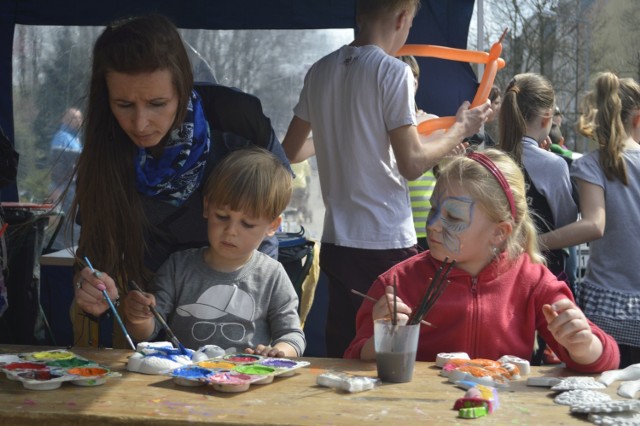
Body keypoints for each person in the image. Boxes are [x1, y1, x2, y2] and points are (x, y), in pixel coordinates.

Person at [282, 0, 490, 357]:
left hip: (337, 242)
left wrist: (344, 135)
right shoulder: (392, 72)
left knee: (344, 350)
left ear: (360, 14)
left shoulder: (318, 71)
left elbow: (289, 152)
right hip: (385, 241)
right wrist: (460, 129)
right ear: (402, 18)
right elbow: (411, 164)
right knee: (392, 353)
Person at [71, 14, 290, 348]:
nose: (141, 123)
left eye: (157, 104)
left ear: (183, 87)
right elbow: (95, 257)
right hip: (149, 316)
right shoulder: (104, 154)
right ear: (106, 98)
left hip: (241, 307)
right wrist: (96, 288)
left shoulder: (237, 121)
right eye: (124, 104)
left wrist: (257, 293)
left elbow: (269, 206)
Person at [344, 149, 620, 373]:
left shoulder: (533, 282)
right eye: (433, 209)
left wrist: (582, 345)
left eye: (453, 217)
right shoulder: (397, 284)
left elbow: (606, 358)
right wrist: (381, 340)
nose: (434, 225)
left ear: (499, 233)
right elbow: (353, 357)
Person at [123, 148, 305, 357]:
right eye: (222, 216)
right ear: (207, 207)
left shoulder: (272, 275)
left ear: (272, 226)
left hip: (247, 382)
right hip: (185, 383)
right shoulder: (178, 267)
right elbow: (146, 332)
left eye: (247, 224)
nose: (231, 231)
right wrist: (138, 317)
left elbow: (293, 336)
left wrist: (278, 351)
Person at [540, 72, 640, 368]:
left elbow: (594, 224)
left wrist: (538, 241)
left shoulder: (592, 164)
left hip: (608, 310)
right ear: (637, 118)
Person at [499, 73, 577, 279]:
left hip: (498, 270)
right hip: (542, 273)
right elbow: (566, 224)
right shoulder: (553, 165)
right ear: (546, 119)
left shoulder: (492, 158)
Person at [398, 55, 438, 250]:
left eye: (410, 76)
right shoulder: (379, 125)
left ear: (416, 81)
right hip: (395, 223)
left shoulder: (433, 122)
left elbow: (445, 169)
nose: (405, 82)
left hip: (428, 222)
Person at [48, 107, 83, 250]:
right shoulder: (62, 137)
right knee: (68, 224)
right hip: (65, 188)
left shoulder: (75, 138)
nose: (78, 121)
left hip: (74, 187)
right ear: (65, 119)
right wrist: (57, 189)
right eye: (74, 117)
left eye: (80, 118)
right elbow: (58, 167)